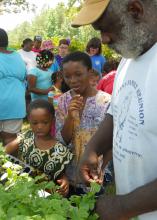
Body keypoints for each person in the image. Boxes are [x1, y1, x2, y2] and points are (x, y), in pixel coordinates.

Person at [72, 0, 157, 219]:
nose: (104, 39)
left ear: (135, 10)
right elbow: (118, 110)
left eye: (105, 28)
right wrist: (93, 148)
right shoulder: (129, 58)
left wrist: (123, 206)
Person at [55, 51, 111, 195]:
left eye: (78, 74)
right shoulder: (63, 101)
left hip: (96, 175)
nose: (72, 80)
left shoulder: (107, 102)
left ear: (90, 73)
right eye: (67, 76)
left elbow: (111, 142)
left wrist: (103, 172)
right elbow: (62, 140)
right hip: (70, 175)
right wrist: (70, 117)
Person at [5, 99, 73, 197]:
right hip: (20, 190)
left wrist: (64, 181)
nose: (39, 127)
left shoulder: (60, 150)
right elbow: (4, 152)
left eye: (44, 122)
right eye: (35, 123)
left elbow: (60, 174)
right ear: (29, 121)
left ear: (52, 121)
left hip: (44, 196)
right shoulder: (25, 137)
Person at [0, 28, 26, 145]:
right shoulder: (17, 56)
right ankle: (10, 163)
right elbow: (24, 77)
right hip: (16, 104)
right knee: (10, 140)